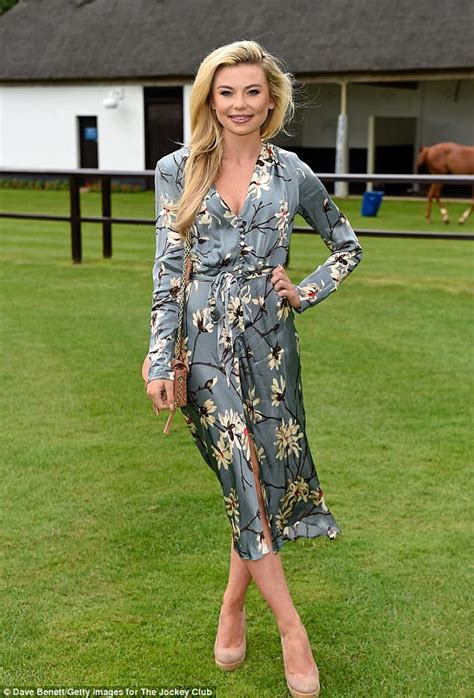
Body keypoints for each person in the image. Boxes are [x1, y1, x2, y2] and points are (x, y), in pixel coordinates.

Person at [143, 40, 363, 698]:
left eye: (251, 92)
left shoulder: (293, 173)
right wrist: (161, 357)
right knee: (243, 471)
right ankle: (293, 628)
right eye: (226, 92)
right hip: (204, 348)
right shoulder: (176, 169)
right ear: (209, 98)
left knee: (258, 490)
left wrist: (307, 290)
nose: (239, 104)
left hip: (272, 349)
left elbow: (345, 245)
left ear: (272, 100)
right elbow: (167, 275)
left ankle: (233, 603)